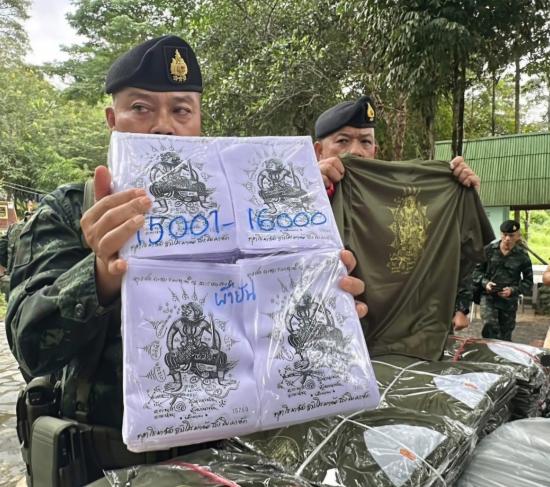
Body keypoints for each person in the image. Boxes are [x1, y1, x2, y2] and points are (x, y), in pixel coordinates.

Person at [6, 35, 367, 484]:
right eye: (141, 108)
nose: (164, 127)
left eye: (181, 110)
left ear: (198, 123)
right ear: (112, 120)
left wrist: (326, 297)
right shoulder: (69, 210)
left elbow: (276, 324)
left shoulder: (244, 212)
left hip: (226, 462)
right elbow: (29, 346)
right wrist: (100, 273)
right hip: (105, 467)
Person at [314, 95, 480, 331]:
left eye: (365, 142)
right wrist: (308, 192)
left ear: (375, 150)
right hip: (321, 330)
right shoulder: (299, 201)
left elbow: (452, 257)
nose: (356, 151)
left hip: (391, 338)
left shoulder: (399, 201)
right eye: (342, 141)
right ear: (318, 151)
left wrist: (462, 200)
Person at [473, 219, 534, 341]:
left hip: (508, 301)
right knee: (489, 327)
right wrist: (485, 283)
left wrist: (513, 290)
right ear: (501, 234)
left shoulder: (522, 255)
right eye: (505, 235)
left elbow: (528, 281)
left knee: (505, 335)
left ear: (518, 236)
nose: (507, 238)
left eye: (511, 235)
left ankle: (502, 352)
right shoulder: (488, 250)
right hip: (489, 297)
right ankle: (489, 351)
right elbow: (475, 272)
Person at [0, 211, 32, 299]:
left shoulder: (13, 227)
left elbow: (2, 251)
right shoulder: (48, 226)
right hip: (35, 286)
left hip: (11, 282)